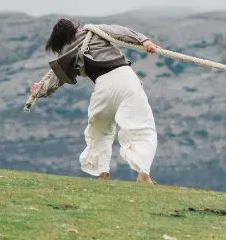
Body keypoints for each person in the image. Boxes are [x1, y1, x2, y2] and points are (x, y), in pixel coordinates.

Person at [26, 18, 161, 184]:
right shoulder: (94, 30)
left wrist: (40, 91)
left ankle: (103, 173)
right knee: (141, 126)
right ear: (75, 28)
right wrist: (144, 40)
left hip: (103, 86)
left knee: (99, 131)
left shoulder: (68, 52)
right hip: (125, 79)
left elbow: (57, 77)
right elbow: (120, 31)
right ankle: (143, 174)